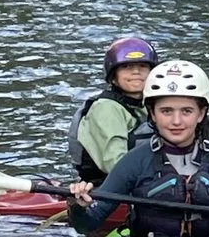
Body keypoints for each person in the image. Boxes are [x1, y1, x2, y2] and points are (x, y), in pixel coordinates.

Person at [68, 60, 209, 237]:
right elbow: (86, 225)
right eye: (166, 111)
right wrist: (78, 207)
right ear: (152, 114)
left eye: (187, 111)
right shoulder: (134, 161)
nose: (176, 121)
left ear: (201, 114)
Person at [68, 35, 161, 184]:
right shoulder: (106, 109)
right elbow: (116, 165)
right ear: (113, 77)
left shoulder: (148, 105)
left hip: (143, 180)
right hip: (108, 188)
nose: (136, 72)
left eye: (143, 66)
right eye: (127, 67)